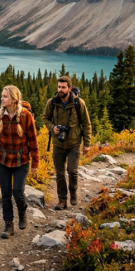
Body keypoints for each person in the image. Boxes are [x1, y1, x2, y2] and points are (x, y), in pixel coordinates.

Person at [0, 85, 39, 239]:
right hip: (3, 159)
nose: (2, 99)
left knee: (18, 192)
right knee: (6, 194)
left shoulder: (26, 116)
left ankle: (22, 211)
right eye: (2, 96)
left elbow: (33, 141)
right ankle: (9, 224)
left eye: (5, 96)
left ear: (14, 99)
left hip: (22, 160)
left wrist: (35, 163)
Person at [43, 76, 92, 210]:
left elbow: (86, 124)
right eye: (59, 87)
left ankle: (74, 194)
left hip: (74, 143)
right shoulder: (52, 102)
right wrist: (52, 127)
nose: (60, 89)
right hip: (58, 143)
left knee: (72, 171)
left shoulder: (78, 103)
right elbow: (45, 118)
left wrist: (87, 144)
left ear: (69, 88)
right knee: (59, 173)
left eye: (63, 87)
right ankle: (62, 200)